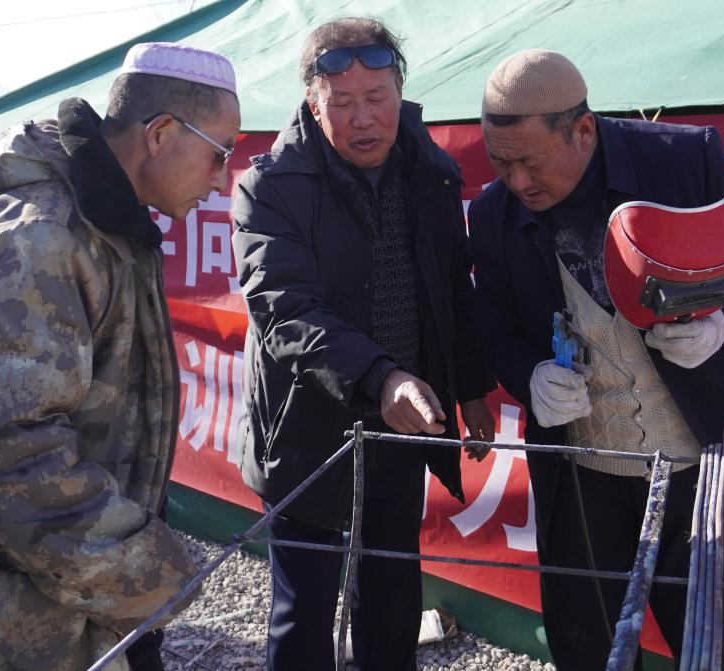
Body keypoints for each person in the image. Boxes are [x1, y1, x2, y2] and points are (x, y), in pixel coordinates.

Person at [0, 42, 241, 671]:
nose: (223, 178)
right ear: (160, 134)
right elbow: (1, 451)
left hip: (36, 595)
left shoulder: (104, 222)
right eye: (220, 153)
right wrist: (144, 572)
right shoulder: (40, 236)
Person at [468, 50, 724, 670]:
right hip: (583, 468)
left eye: (530, 162)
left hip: (701, 457)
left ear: (583, 130)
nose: (518, 183)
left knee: (710, 643)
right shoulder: (493, 215)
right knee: (588, 641)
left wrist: (722, 326)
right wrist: (530, 376)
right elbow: (494, 326)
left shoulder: (684, 162)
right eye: (500, 163)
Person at [231, 17, 496, 671]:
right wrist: (380, 377)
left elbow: (451, 288)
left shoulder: (430, 173)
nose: (363, 118)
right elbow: (285, 309)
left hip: (400, 426)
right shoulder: (270, 187)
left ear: (399, 89)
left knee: (391, 597)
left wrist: (470, 387)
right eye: (342, 102)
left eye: (376, 97)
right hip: (305, 430)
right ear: (312, 101)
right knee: (304, 613)